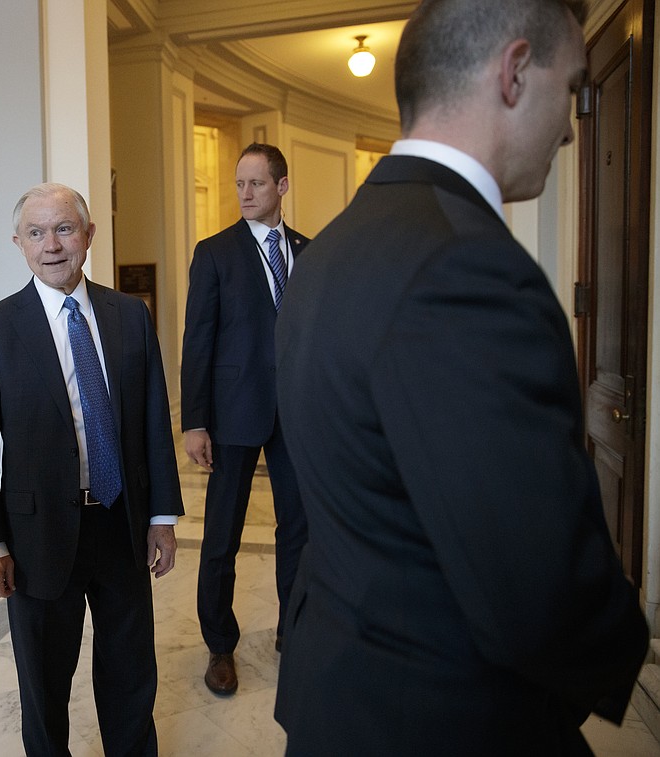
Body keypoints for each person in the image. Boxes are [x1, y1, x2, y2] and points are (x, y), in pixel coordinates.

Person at [273, 0, 648, 752]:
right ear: (513, 72)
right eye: (572, 89)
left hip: (342, 693)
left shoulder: (328, 250)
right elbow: (536, 587)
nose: (574, 126)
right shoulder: (466, 266)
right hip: (440, 715)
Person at [0, 183, 183, 756]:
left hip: (121, 523)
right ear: (18, 243)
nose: (51, 245)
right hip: (36, 538)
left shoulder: (130, 316)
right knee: (44, 687)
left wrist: (161, 516)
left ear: (89, 236)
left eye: (64, 229)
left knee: (131, 675)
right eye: (36, 233)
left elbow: (153, 421)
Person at [180, 142, 309, 695]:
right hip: (233, 415)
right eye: (239, 184)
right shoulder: (214, 253)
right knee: (221, 536)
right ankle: (219, 646)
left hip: (299, 416)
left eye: (257, 183)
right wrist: (194, 421)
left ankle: (294, 634)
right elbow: (197, 342)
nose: (245, 193)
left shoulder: (311, 249)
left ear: (282, 186)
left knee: (300, 531)